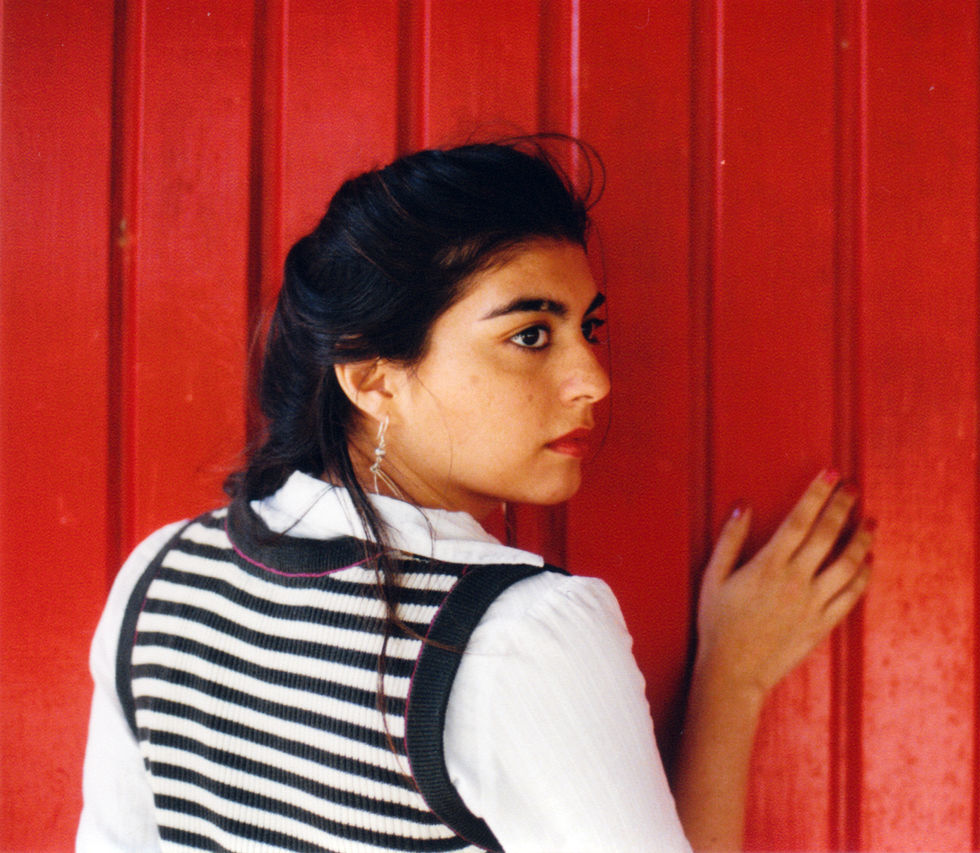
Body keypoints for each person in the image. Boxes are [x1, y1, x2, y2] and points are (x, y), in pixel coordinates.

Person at [77, 137, 874, 852]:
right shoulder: (516, 631)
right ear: (373, 379)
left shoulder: (161, 576)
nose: (593, 380)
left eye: (588, 327)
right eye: (531, 334)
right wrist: (733, 677)